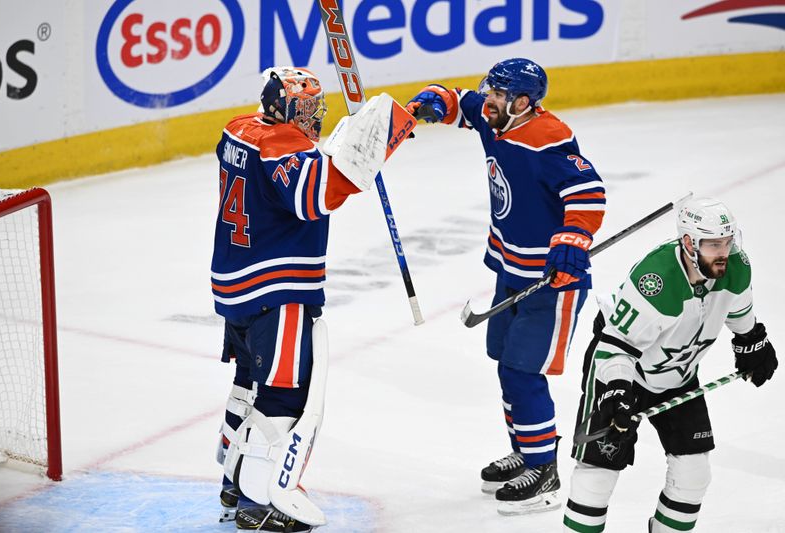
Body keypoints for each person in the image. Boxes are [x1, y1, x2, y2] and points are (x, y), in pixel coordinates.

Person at [210, 66, 411, 532]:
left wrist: (342, 145)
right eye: (304, 107)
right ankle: (259, 503)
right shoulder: (283, 144)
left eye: (315, 106)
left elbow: (299, 166)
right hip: (274, 290)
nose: (313, 115)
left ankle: (233, 480)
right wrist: (379, 140)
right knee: (284, 394)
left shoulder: (238, 129)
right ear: (280, 107)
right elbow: (315, 195)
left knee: (249, 384)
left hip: (236, 283)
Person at [406, 58, 606, 515]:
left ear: (521, 102)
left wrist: (572, 240)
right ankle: (526, 449)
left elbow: (588, 191)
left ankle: (544, 468)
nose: (487, 99)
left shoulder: (547, 137)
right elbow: (460, 101)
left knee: (522, 371)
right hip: (511, 269)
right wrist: (432, 101)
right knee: (504, 362)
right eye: (489, 90)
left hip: (551, 280)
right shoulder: (497, 117)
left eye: (497, 93)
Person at [564, 198, 777, 532]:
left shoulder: (735, 266)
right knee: (598, 474)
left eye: (727, 241)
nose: (723, 252)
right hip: (625, 373)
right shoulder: (656, 281)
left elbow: (739, 313)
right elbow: (614, 347)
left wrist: (751, 341)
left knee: (694, 473)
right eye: (713, 244)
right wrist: (616, 390)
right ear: (689, 243)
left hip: (678, 376)